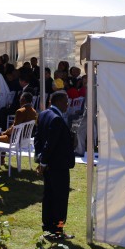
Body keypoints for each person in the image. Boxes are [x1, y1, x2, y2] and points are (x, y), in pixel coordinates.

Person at [34, 91, 75, 240]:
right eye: (66, 102)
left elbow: (37, 139)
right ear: (57, 102)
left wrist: (41, 159)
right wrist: (43, 161)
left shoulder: (43, 114)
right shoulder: (56, 119)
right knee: (60, 198)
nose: (67, 105)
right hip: (58, 166)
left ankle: (48, 227)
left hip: (49, 165)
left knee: (49, 196)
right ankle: (58, 230)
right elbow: (49, 143)